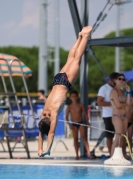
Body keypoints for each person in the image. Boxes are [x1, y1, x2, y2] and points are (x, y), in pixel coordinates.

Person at [38, 26, 92, 157]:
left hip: (65, 83)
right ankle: (79, 37)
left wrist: (48, 149)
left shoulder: (53, 113)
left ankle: (85, 37)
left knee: (77, 58)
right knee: (70, 58)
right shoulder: (43, 114)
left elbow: (50, 133)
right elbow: (41, 132)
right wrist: (40, 149)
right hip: (56, 80)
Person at [97, 72, 119, 156]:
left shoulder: (117, 89)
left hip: (117, 115)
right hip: (108, 115)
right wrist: (113, 103)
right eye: (116, 80)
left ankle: (117, 153)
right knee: (109, 136)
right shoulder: (104, 88)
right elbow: (99, 103)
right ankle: (111, 154)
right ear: (111, 80)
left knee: (118, 135)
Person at [65, 90, 92, 160]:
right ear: (70, 98)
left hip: (81, 122)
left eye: (75, 96)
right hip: (74, 124)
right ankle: (77, 155)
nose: (74, 98)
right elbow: (66, 117)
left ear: (77, 97)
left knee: (84, 138)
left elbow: (85, 115)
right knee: (75, 139)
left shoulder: (81, 105)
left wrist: (88, 124)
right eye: (72, 96)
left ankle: (89, 153)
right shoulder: (69, 107)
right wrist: (69, 125)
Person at [110, 73, 131, 158]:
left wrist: (129, 91)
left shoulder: (123, 91)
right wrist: (125, 104)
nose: (122, 80)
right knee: (118, 136)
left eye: (123, 79)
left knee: (123, 137)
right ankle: (111, 157)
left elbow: (129, 103)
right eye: (120, 79)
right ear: (115, 80)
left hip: (124, 116)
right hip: (117, 116)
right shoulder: (113, 91)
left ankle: (123, 155)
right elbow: (118, 105)